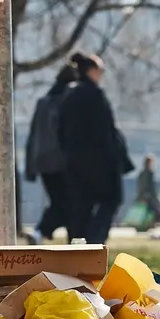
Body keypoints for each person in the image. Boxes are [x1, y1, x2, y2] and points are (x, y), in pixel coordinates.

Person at [57, 52, 133, 244]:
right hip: (100, 162)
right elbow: (105, 131)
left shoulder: (69, 95)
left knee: (81, 206)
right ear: (91, 71)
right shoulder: (96, 95)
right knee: (111, 200)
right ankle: (95, 241)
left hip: (75, 162)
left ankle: (77, 244)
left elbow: (61, 130)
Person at [25, 62, 80, 242]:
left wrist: (30, 167)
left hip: (43, 162)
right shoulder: (68, 101)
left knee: (60, 201)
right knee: (68, 203)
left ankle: (44, 233)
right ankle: (42, 231)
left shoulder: (43, 102)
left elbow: (34, 135)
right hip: (62, 162)